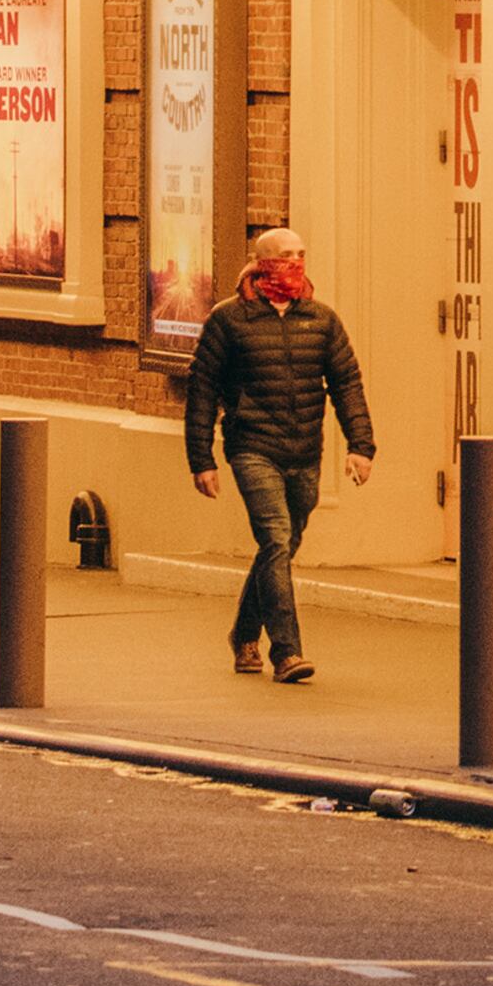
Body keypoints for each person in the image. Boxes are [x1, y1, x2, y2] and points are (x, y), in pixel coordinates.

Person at [185, 221, 375, 686]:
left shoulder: (321, 319)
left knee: (284, 545)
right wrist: (202, 459)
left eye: (301, 254)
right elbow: (203, 391)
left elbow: (346, 384)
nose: (295, 263)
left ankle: (245, 633)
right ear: (262, 263)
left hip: (305, 448)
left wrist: (361, 445)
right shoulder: (229, 320)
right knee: (275, 538)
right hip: (252, 446)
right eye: (286, 255)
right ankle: (286, 652)